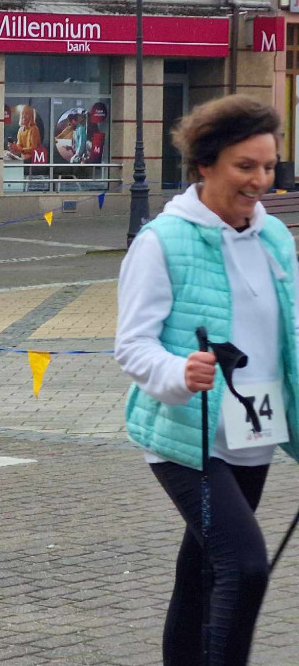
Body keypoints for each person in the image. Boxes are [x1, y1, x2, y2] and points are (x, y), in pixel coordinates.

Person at [115, 95, 299, 666]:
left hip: (253, 431)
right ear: (205, 164)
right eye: (246, 166)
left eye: (269, 166)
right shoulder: (162, 242)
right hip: (187, 437)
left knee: (200, 573)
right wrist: (179, 371)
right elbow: (133, 345)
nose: (261, 180)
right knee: (243, 566)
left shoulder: (275, 240)